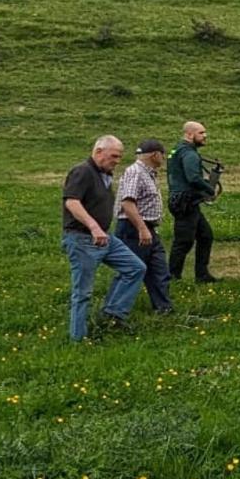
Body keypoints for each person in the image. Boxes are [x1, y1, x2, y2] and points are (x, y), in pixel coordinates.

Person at [61, 135, 147, 341]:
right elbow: (72, 202)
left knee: (136, 268)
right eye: (114, 156)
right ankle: (78, 339)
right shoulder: (82, 171)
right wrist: (93, 227)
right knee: (83, 293)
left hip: (105, 238)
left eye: (119, 157)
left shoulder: (103, 174)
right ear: (98, 152)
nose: (117, 161)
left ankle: (113, 314)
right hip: (83, 239)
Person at [108, 138, 173, 316]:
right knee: (130, 270)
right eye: (163, 155)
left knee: (159, 270)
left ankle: (163, 308)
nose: (164, 158)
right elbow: (128, 203)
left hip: (149, 229)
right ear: (155, 155)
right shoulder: (135, 172)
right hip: (134, 229)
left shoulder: (148, 173)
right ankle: (112, 313)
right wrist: (142, 228)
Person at [167, 120, 219, 283]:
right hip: (185, 201)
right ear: (189, 134)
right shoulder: (189, 153)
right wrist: (209, 189)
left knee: (205, 236)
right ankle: (172, 277)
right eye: (201, 133)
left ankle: (202, 274)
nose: (205, 136)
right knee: (183, 241)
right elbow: (193, 178)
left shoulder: (177, 149)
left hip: (184, 200)